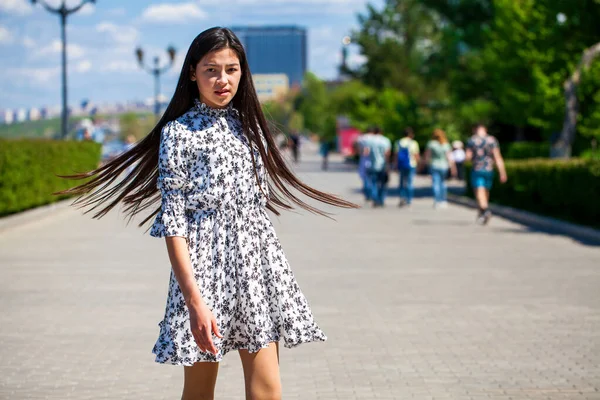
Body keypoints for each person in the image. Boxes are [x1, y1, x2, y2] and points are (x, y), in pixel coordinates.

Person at [56, 27, 356, 400]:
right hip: (202, 272)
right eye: (211, 70)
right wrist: (194, 300)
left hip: (255, 266)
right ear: (192, 74)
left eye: (231, 69)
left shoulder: (253, 129)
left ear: (242, 73)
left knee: (268, 390)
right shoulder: (178, 134)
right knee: (199, 393)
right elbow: (174, 223)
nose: (222, 80)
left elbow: (257, 208)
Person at [466, 123, 507, 225]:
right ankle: (482, 211)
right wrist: (502, 172)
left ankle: (484, 210)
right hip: (489, 169)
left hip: (477, 169)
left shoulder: (472, 140)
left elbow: (468, 156)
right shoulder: (492, 140)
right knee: (486, 191)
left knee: (479, 190)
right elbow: (497, 157)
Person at [424, 129, 457, 209]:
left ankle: (437, 200)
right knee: (443, 183)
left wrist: (425, 164)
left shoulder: (431, 144)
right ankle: (443, 200)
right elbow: (449, 157)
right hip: (444, 166)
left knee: (436, 183)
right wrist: (453, 167)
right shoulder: (445, 144)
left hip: (434, 165)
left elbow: (427, 156)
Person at [364, 126, 391, 207]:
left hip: (373, 165)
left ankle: (375, 199)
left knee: (374, 183)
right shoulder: (385, 140)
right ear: (381, 132)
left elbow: (366, 153)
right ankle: (381, 200)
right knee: (383, 183)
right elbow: (387, 154)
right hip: (383, 165)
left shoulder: (370, 141)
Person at [396, 127, 420, 207]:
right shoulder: (413, 143)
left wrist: (395, 165)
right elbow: (416, 155)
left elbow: (396, 155)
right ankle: (409, 200)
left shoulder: (398, 142)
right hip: (411, 164)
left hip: (402, 164)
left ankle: (402, 197)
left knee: (402, 182)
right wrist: (418, 164)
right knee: (409, 183)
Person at [356, 127, 374, 201]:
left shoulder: (361, 138)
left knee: (365, 179)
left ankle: (367, 195)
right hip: (372, 160)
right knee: (372, 179)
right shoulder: (375, 138)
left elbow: (356, 145)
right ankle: (372, 194)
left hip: (363, 160)